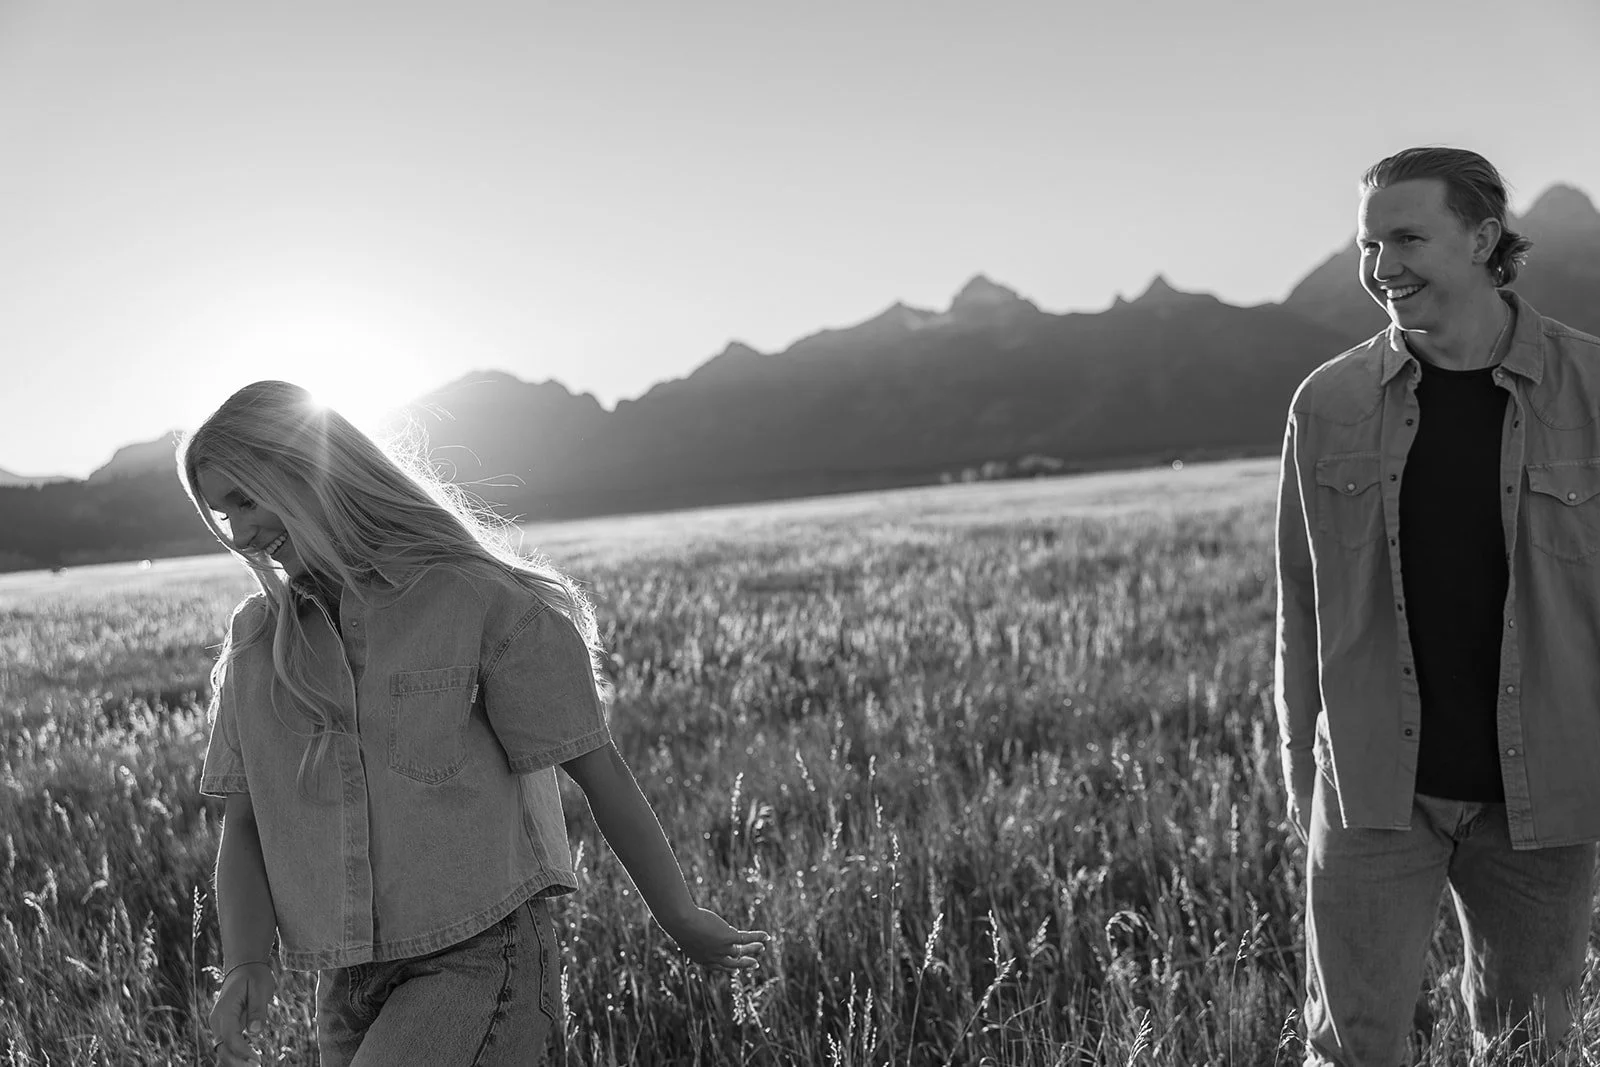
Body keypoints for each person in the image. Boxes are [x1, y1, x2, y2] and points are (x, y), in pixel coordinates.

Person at [182, 380, 770, 1066]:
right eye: (223, 513)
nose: (239, 532)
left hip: (483, 956)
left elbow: (598, 768)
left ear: (312, 469)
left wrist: (680, 914)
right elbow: (246, 820)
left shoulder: (470, 597)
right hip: (347, 981)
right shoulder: (259, 641)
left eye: (246, 499)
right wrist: (244, 961)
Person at [1275, 146, 1600, 1065]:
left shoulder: (1594, 388)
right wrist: (1304, 771)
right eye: (1368, 245)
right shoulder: (1326, 404)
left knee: (1530, 1045)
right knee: (1351, 1049)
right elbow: (1301, 611)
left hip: (1544, 793)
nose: (1381, 268)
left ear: (1485, 238)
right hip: (1375, 789)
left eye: (1407, 238)